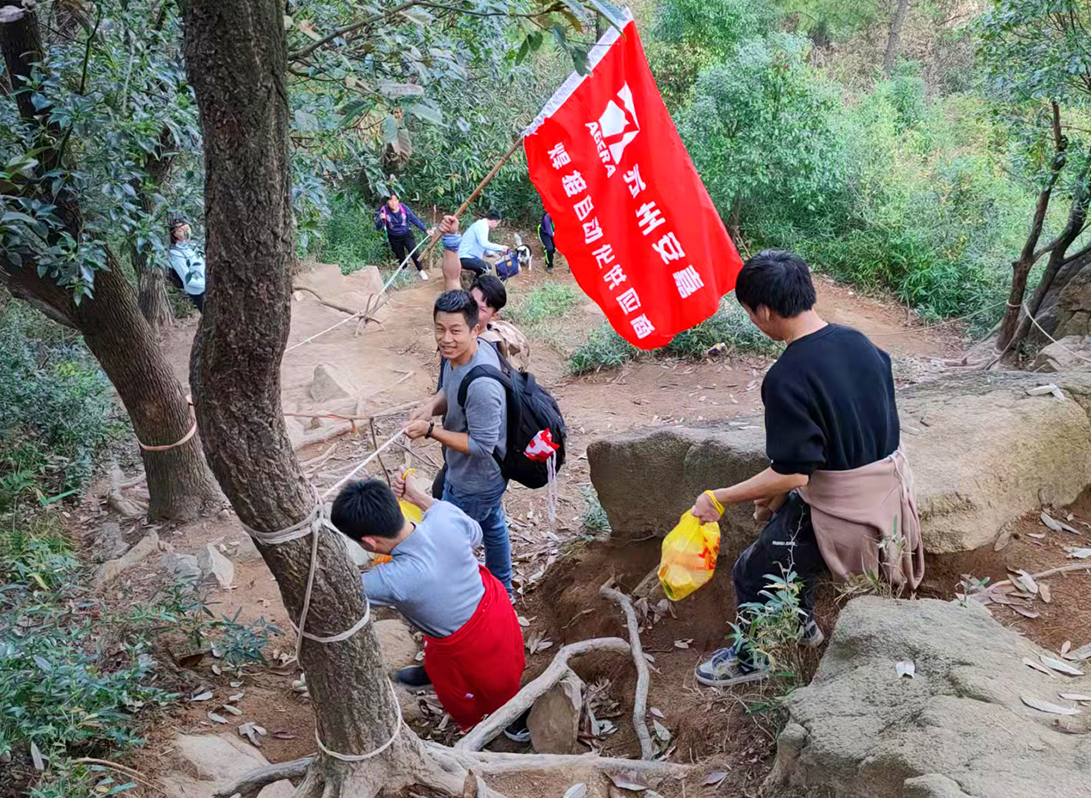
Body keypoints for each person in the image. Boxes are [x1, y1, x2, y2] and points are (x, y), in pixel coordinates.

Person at [689, 250, 924, 688]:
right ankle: (800, 624)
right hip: (888, 495)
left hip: (847, 511)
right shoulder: (861, 343)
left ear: (763, 311)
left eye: (749, 314)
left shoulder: (786, 377)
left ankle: (752, 658)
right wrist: (783, 493)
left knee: (752, 570)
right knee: (783, 530)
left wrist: (716, 497)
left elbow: (795, 473)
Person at [330, 476, 529, 739]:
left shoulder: (391, 580)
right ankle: (433, 673)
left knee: (494, 688)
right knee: (456, 660)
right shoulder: (444, 515)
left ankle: (515, 721)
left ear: (369, 542)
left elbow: (338, 590)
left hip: (470, 645)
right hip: (495, 607)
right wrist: (418, 496)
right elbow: (475, 535)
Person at [404, 288, 514, 597]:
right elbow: (450, 391)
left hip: (476, 480)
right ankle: (503, 591)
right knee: (492, 526)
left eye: (455, 331)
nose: (446, 338)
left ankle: (464, 602)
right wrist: (431, 406)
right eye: (440, 329)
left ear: (476, 329)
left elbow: (481, 445)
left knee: (450, 544)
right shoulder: (458, 356)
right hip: (470, 473)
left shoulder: (482, 385)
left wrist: (430, 431)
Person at [472, 274, 531, 372]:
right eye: (470, 302)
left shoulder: (486, 349)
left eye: (481, 309)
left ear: (494, 315)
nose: (471, 310)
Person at [376, 194, 430, 281]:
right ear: (387, 201)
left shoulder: (404, 208)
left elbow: (414, 219)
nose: (393, 203)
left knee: (414, 253)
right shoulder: (384, 210)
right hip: (393, 237)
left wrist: (425, 230)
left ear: (398, 201)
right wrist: (381, 219)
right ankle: (404, 271)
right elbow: (378, 227)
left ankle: (421, 270)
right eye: (390, 200)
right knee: (400, 255)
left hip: (406, 234)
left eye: (395, 200)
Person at [168, 218, 206, 312]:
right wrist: (207, 285)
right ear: (174, 234)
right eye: (180, 230)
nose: (185, 231)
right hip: (199, 291)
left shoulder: (194, 246)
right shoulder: (175, 253)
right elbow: (187, 279)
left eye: (186, 228)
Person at [457, 209, 507, 276]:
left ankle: (475, 283)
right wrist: (501, 248)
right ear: (495, 221)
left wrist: (493, 254)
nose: (497, 225)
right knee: (486, 267)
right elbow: (484, 244)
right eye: (498, 223)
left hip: (467, 256)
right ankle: (476, 285)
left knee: (485, 267)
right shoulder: (482, 226)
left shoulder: (481, 224)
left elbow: (483, 245)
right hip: (466, 257)